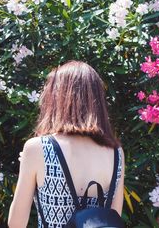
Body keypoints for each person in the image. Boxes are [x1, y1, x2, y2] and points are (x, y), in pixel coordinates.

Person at [7, 60, 125, 228]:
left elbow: (16, 224)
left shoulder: (39, 149)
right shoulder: (115, 153)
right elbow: (113, 219)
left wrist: (30, 171)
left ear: (57, 96)